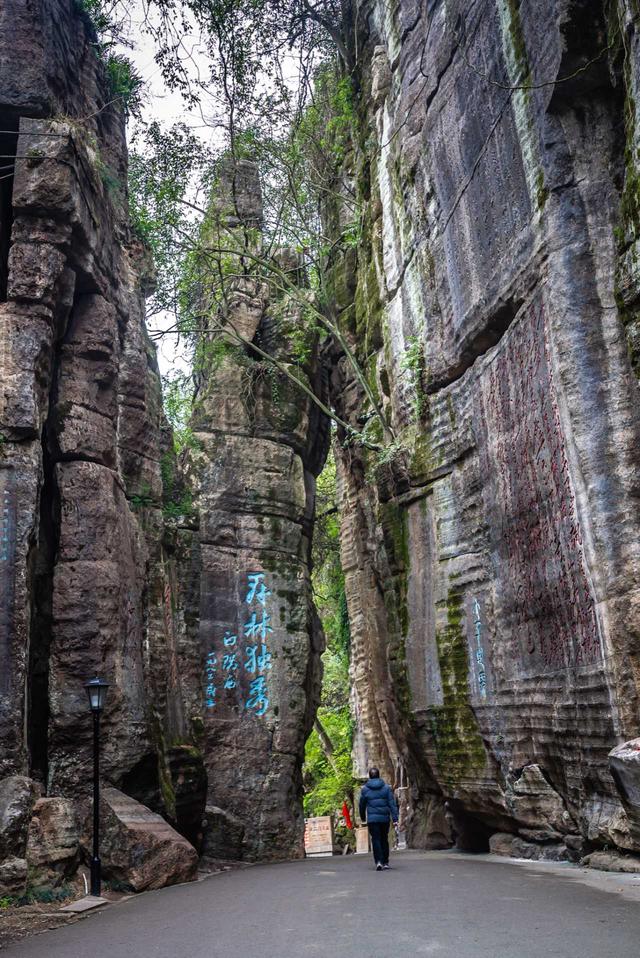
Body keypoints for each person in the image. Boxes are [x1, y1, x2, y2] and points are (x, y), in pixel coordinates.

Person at [358, 767, 399, 870]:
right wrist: (395, 819)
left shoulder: (365, 790)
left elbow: (361, 805)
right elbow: (392, 804)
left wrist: (363, 817)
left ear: (370, 776)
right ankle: (385, 862)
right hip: (384, 819)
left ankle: (379, 862)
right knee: (384, 839)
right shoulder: (386, 788)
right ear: (378, 775)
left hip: (372, 819)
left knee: (375, 840)